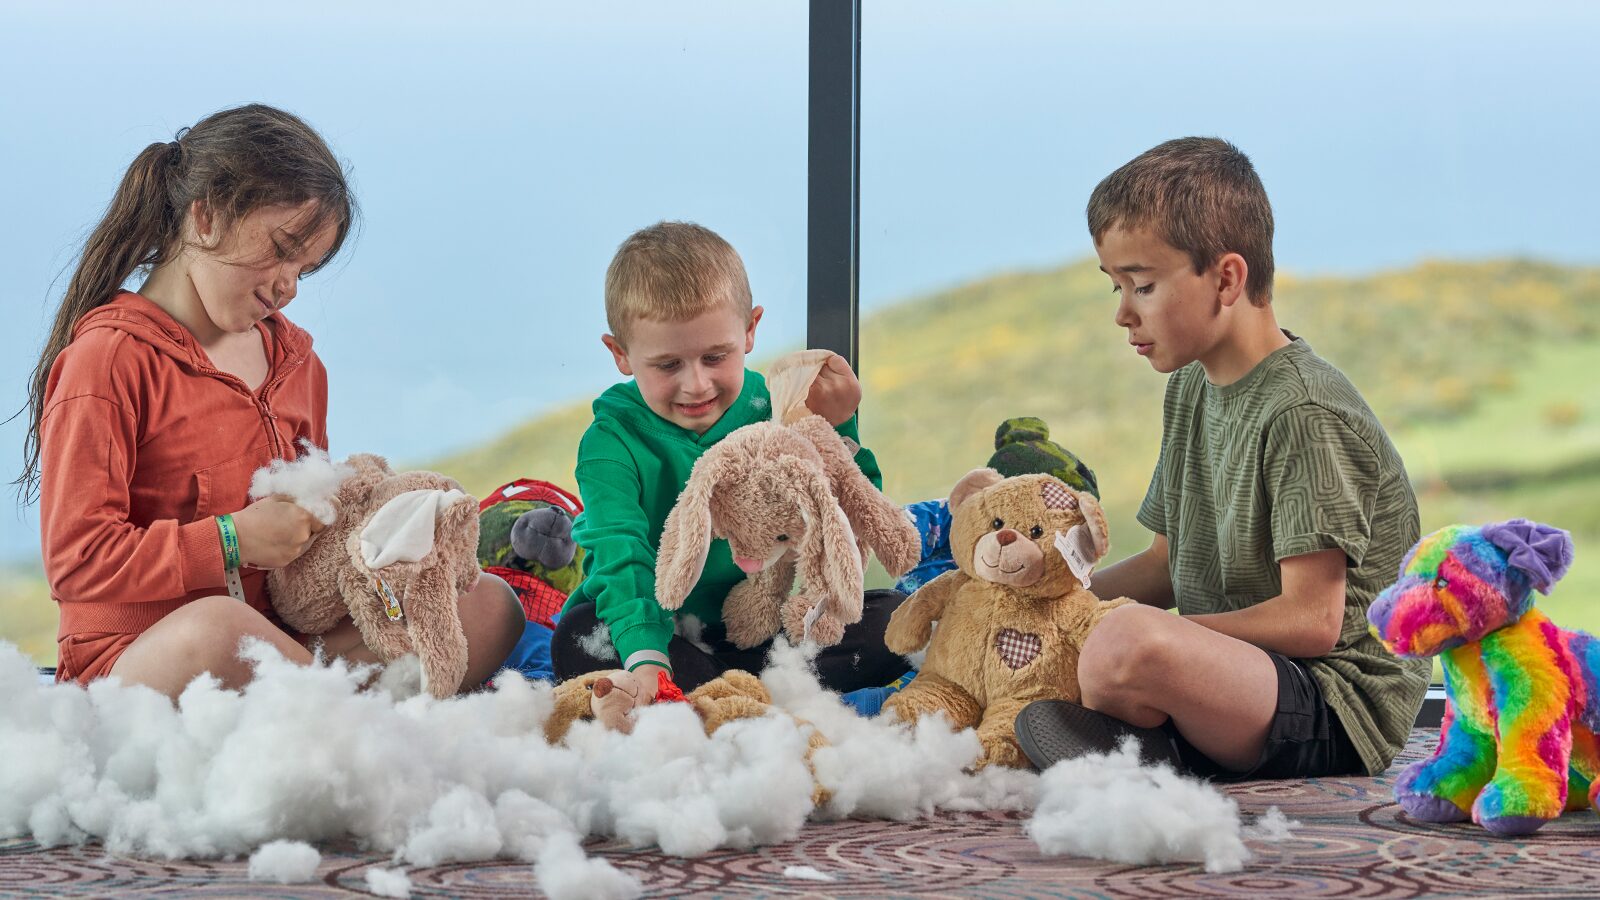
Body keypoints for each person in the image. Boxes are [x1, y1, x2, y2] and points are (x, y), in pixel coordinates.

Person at [20, 103, 523, 699]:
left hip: (278, 646)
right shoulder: (107, 361)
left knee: (490, 605)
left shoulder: (300, 366)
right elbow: (79, 560)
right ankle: (362, 723)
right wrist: (232, 539)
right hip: (140, 664)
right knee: (221, 631)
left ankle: (338, 719)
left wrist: (371, 540)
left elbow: (303, 562)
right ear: (204, 218)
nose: (288, 286)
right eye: (282, 250)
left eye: (304, 270)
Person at [1014, 138, 1429, 780]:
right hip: (1240, 674)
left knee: (1122, 645)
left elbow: (1313, 622)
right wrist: (1051, 607)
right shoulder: (1191, 387)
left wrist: (1120, 629)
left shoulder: (1303, 412)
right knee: (1039, 630)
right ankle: (1153, 746)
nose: (1123, 313)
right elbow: (1167, 564)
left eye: (1143, 285)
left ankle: (1155, 751)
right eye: (1116, 286)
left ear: (1228, 278)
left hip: (1330, 702)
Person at [550, 221, 909, 697]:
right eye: (667, 365)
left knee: (895, 622)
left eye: (716, 356)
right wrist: (646, 658)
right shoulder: (610, 442)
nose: (696, 384)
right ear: (620, 354)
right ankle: (746, 696)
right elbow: (621, 554)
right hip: (663, 636)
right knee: (579, 640)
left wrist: (839, 425)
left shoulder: (779, 407)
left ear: (750, 330)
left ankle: (726, 698)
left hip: (765, 628)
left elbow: (846, 520)